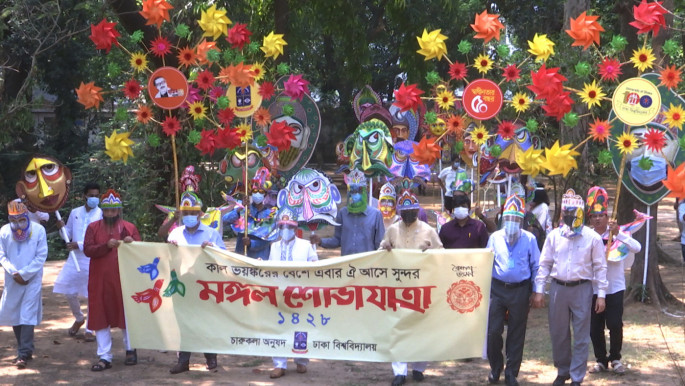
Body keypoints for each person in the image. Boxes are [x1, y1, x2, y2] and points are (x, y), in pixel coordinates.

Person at [532, 189, 608, 386]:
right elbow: (545, 263)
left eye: (574, 214)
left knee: (581, 334)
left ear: (581, 214)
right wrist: (539, 290)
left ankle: (576, 376)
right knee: (559, 333)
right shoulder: (554, 236)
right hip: (558, 288)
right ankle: (562, 370)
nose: (570, 217)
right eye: (566, 213)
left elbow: (600, 267)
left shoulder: (592, 238)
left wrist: (601, 295)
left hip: (582, 289)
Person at [379, 185, 442, 386]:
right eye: (404, 212)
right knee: (397, 329)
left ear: (417, 211)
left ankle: (418, 368)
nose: (407, 215)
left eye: (411, 212)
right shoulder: (392, 229)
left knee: (421, 329)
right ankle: (399, 371)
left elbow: (441, 254)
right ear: (400, 212)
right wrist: (385, 247)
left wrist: (430, 252)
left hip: (421, 288)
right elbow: (380, 252)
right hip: (396, 288)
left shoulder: (428, 230)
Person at [167, 190, 225, 374]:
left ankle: (211, 358)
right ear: (181, 214)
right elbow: (167, 257)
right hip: (182, 285)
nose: (189, 216)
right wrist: (171, 248)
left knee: (207, 320)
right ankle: (183, 361)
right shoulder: (175, 233)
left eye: (193, 213)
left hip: (204, 285)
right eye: (186, 213)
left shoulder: (211, 233)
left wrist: (212, 249)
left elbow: (224, 257)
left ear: (200, 214)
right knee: (183, 322)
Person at [83, 189, 141, 371]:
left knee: (127, 314)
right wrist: (105, 246)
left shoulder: (129, 227)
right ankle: (104, 356)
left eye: (113, 210)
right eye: (107, 210)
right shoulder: (93, 228)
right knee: (100, 315)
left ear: (119, 210)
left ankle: (131, 349)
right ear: (102, 210)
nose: (110, 213)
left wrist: (133, 244)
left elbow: (141, 253)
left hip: (124, 279)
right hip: (99, 279)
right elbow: (88, 250)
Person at [486, 195, 540, 386]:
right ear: (503, 219)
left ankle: (511, 373)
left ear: (521, 220)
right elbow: (486, 264)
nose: (512, 223)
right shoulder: (494, 238)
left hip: (520, 290)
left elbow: (537, 267)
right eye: (508, 218)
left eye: (516, 219)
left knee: (517, 332)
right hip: (497, 289)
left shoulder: (530, 239)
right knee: (493, 331)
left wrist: (537, 291)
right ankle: (495, 367)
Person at [585, 186, 640, 375]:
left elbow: (637, 248)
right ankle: (600, 360)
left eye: (601, 215)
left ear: (608, 217)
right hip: (593, 288)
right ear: (590, 218)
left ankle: (615, 358)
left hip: (615, 287)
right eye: (594, 216)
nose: (598, 219)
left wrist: (618, 234)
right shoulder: (587, 237)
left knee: (615, 324)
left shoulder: (618, 233)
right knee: (595, 327)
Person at [268, 209, 318, 378]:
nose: (285, 229)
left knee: (301, 326)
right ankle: (279, 364)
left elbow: (316, 266)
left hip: (301, 294)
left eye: (289, 226)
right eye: (282, 226)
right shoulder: (274, 246)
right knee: (278, 327)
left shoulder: (305, 245)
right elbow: (270, 269)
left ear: (295, 227)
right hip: (280, 294)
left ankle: (301, 361)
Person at [0, 200, 48, 369]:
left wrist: (26, 274)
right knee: (14, 311)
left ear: (27, 216)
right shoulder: (4, 231)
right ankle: (25, 349)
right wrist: (14, 273)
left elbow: (41, 256)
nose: (18, 224)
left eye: (21, 219)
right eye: (13, 220)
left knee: (27, 313)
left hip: (32, 279)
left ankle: (23, 353)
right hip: (13, 279)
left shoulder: (39, 230)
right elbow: (2, 255)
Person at [53, 182, 102, 341]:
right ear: (84, 196)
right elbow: (67, 234)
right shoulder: (75, 212)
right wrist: (61, 227)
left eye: (96, 196)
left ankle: (90, 329)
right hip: (74, 258)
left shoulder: (101, 214)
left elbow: (100, 239)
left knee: (92, 294)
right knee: (68, 289)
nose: (94, 198)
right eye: (91, 195)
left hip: (92, 259)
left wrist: (79, 245)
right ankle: (79, 318)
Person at [310, 169, 385, 255]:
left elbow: (380, 244)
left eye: (359, 191)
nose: (355, 195)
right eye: (352, 191)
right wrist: (320, 241)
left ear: (364, 192)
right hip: (347, 265)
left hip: (367, 265)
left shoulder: (375, 215)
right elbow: (337, 240)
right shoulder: (343, 213)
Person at [222, 167, 277, 260]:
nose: (257, 194)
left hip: (260, 258)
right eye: (255, 191)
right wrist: (240, 208)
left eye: (261, 191)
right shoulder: (244, 208)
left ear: (265, 194)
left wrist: (251, 243)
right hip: (241, 257)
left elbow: (268, 239)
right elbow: (224, 220)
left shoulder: (271, 214)